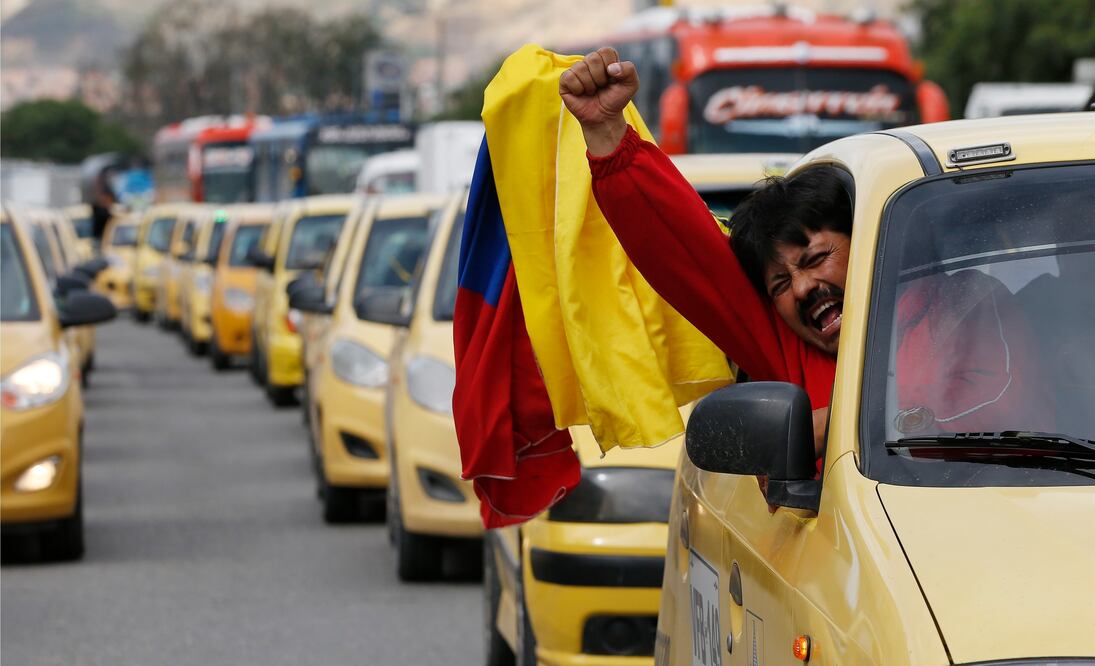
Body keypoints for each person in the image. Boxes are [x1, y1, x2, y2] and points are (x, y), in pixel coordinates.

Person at [559, 47, 1053, 462]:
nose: (801, 288)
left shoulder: (965, 302)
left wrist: (844, 423)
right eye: (779, 283)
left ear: (869, 241)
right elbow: (679, 245)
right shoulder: (782, 347)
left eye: (816, 258)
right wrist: (607, 134)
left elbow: (1001, 412)